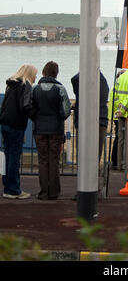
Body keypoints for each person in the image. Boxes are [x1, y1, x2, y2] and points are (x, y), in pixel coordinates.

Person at [32, 61, 71, 200]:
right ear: (56, 73)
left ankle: (43, 192)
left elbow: (29, 107)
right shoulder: (60, 89)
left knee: (42, 160)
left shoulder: (35, 89)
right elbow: (66, 111)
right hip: (56, 130)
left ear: (43, 72)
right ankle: (54, 192)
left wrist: (36, 117)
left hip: (39, 130)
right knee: (54, 160)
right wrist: (59, 116)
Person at [0, 64, 37, 199]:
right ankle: (14, 190)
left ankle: (7, 187)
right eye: (35, 74)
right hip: (16, 124)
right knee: (15, 156)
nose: (36, 77)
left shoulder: (10, 84)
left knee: (8, 154)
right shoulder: (25, 85)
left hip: (5, 123)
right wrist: (35, 116)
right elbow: (26, 105)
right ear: (30, 74)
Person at [71, 70, 109, 164]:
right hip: (101, 120)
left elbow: (74, 79)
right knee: (96, 156)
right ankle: (94, 176)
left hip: (84, 121)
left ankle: (82, 176)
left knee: (82, 154)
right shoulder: (103, 82)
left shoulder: (82, 78)